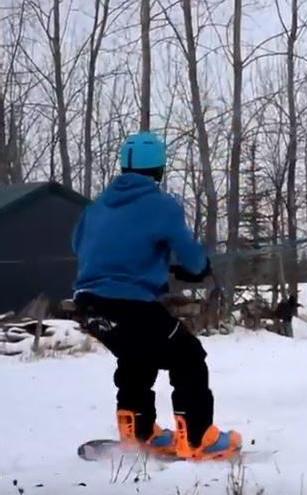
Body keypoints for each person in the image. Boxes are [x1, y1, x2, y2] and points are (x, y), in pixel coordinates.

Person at [72, 131, 241, 460]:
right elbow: (192, 259)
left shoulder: (95, 208)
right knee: (189, 357)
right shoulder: (161, 206)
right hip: (130, 305)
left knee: (137, 358)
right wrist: (197, 268)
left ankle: (137, 431)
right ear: (159, 171)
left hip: (88, 305)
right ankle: (197, 438)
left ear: (123, 168)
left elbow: (77, 246)